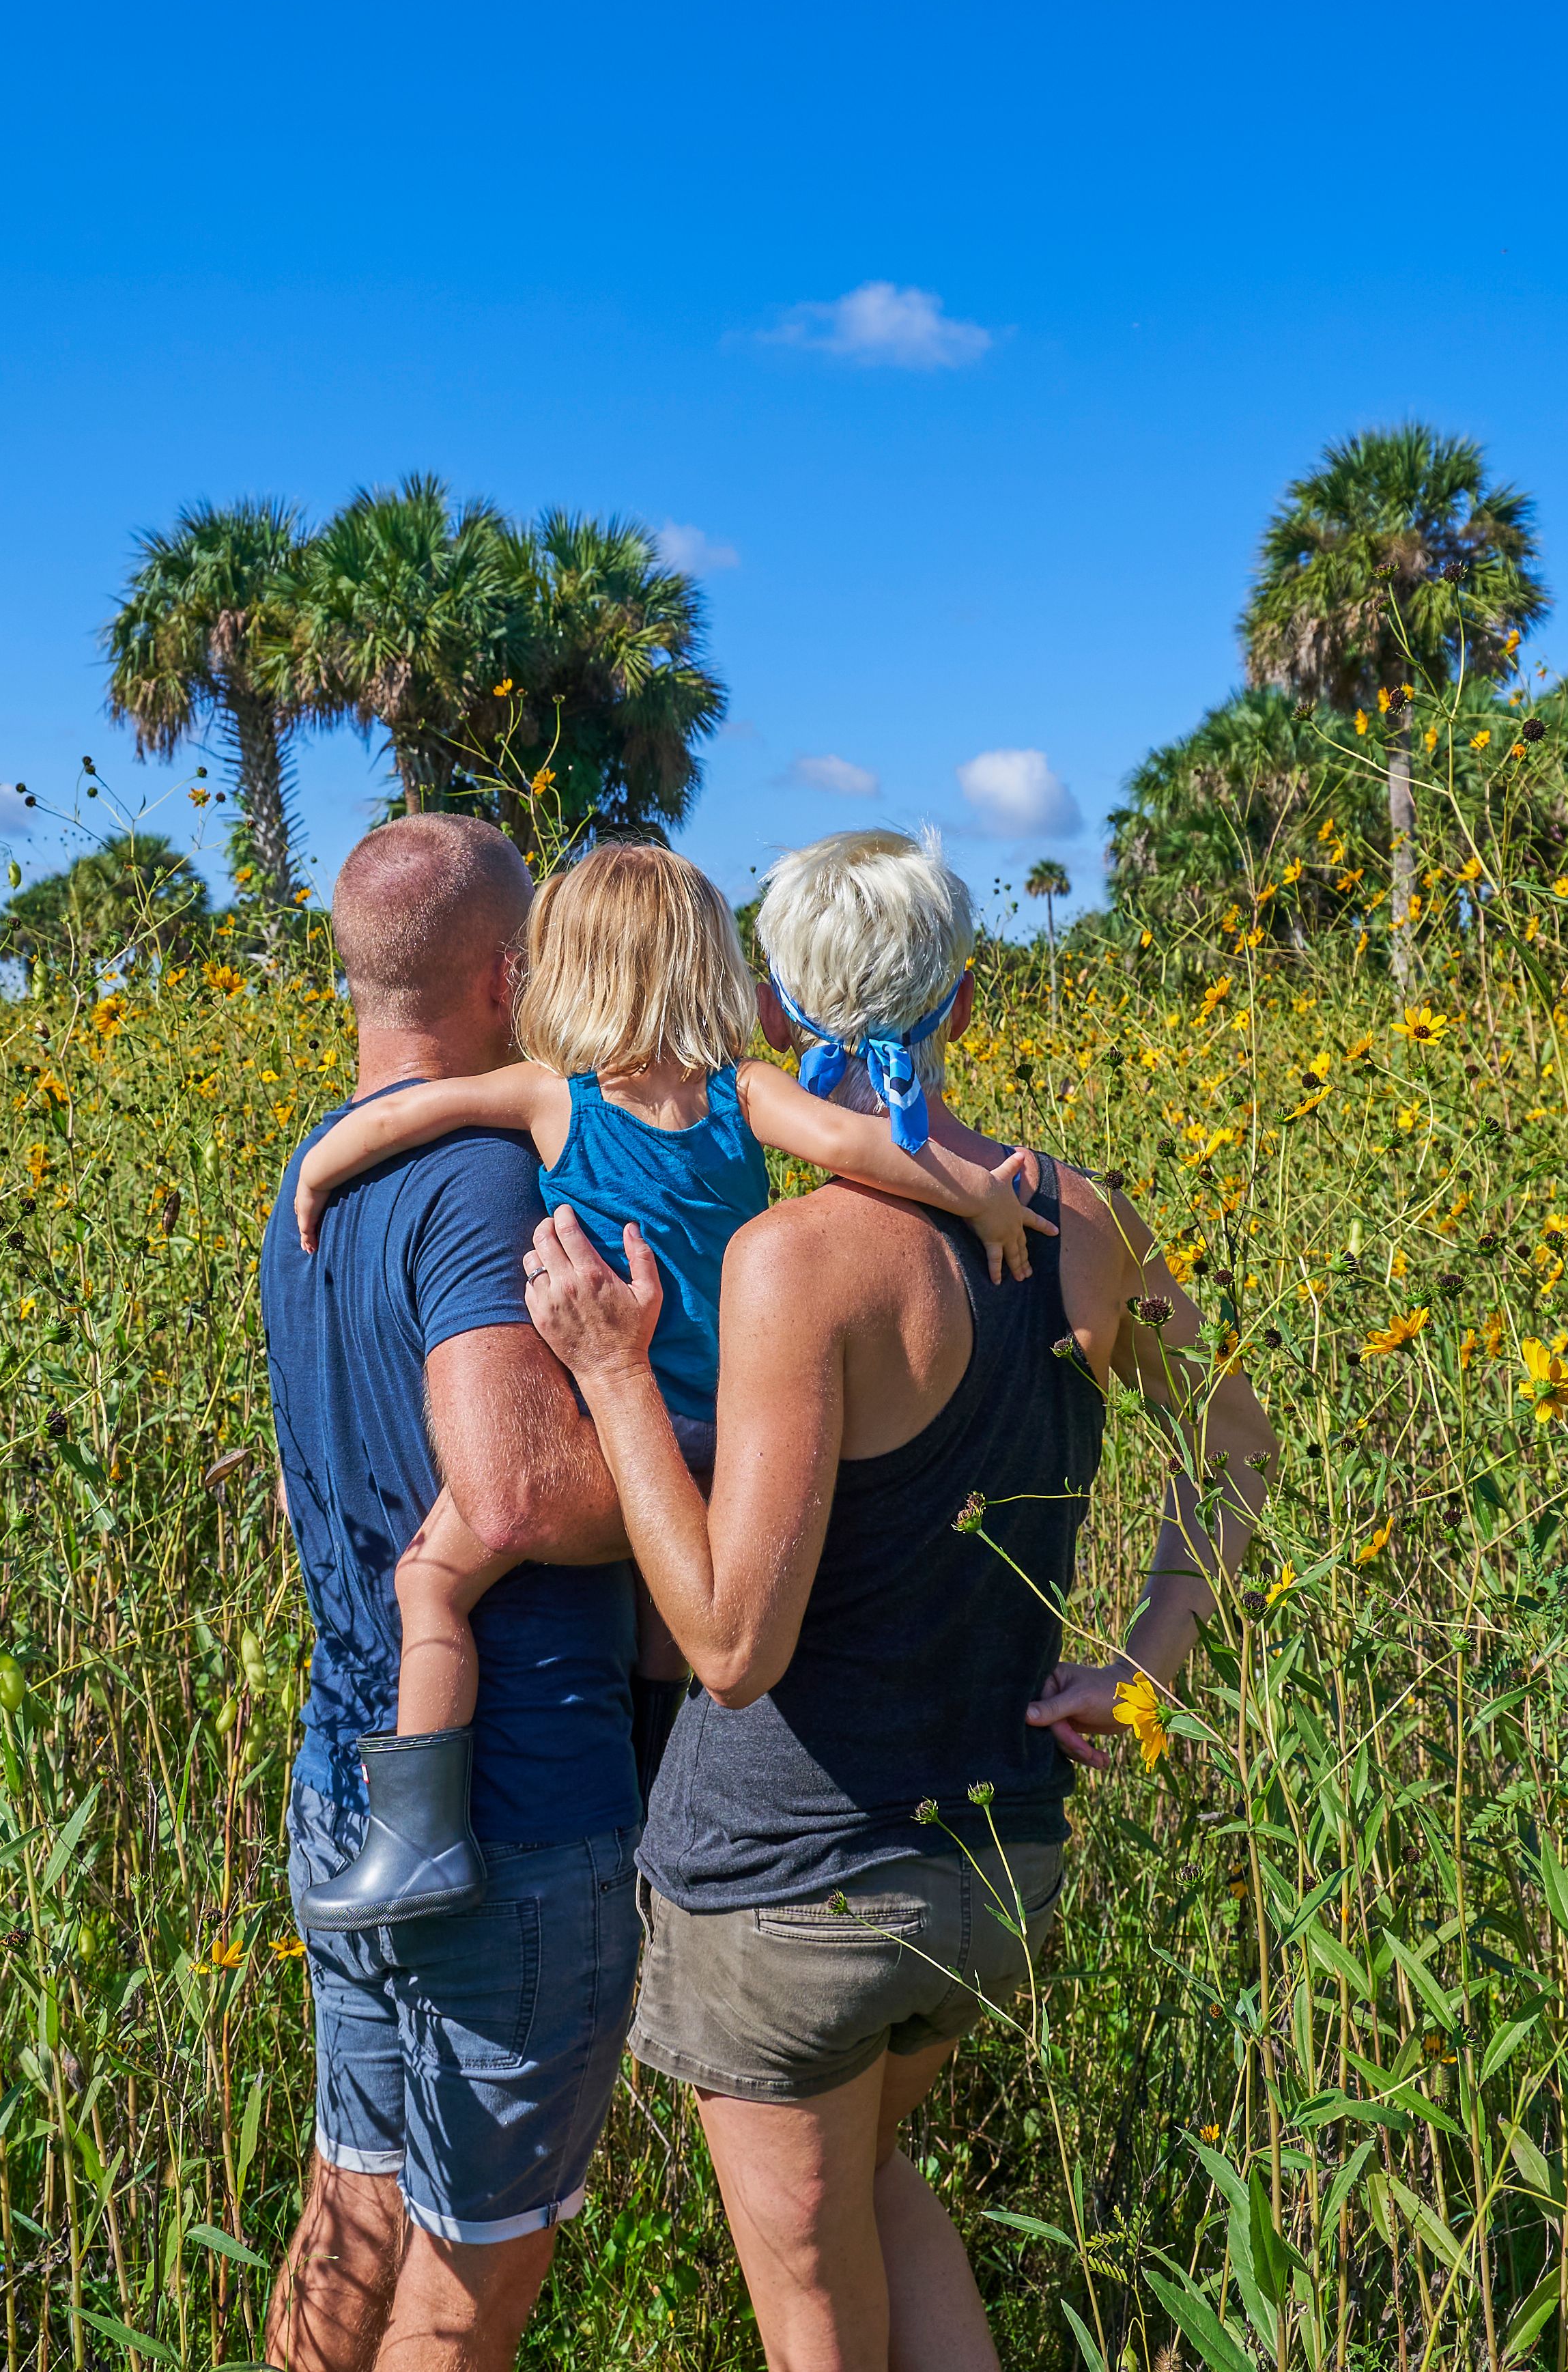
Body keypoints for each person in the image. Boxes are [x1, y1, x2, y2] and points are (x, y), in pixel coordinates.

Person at [521, 828, 1277, 2370]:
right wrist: (1146, 1667)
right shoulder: (1084, 1220)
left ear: (781, 1017)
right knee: (867, 2184)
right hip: (992, 1863)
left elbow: (733, 1646)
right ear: (969, 1003)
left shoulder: (796, 1259)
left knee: (811, 2311)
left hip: (788, 1884)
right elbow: (1241, 1442)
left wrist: (609, 1377)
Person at [286, 840, 1047, 1932]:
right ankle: (651, 1808)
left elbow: (417, 1111)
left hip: (625, 1420)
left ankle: (419, 1838)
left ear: (560, 970)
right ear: (714, 972)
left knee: (432, 1583)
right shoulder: (747, 1092)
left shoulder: (555, 1097)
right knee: (666, 1627)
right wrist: (978, 1196)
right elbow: (860, 1144)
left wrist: (318, 1167)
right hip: (727, 1434)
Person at [254, 813, 639, 2372]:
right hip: (506, 1802)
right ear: (505, 974)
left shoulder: (315, 1182)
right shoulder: (481, 1178)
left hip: (350, 1764)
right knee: (470, 2267)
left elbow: (305, 1479)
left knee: (352, 2192)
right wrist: (711, 1468)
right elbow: (515, 1491)